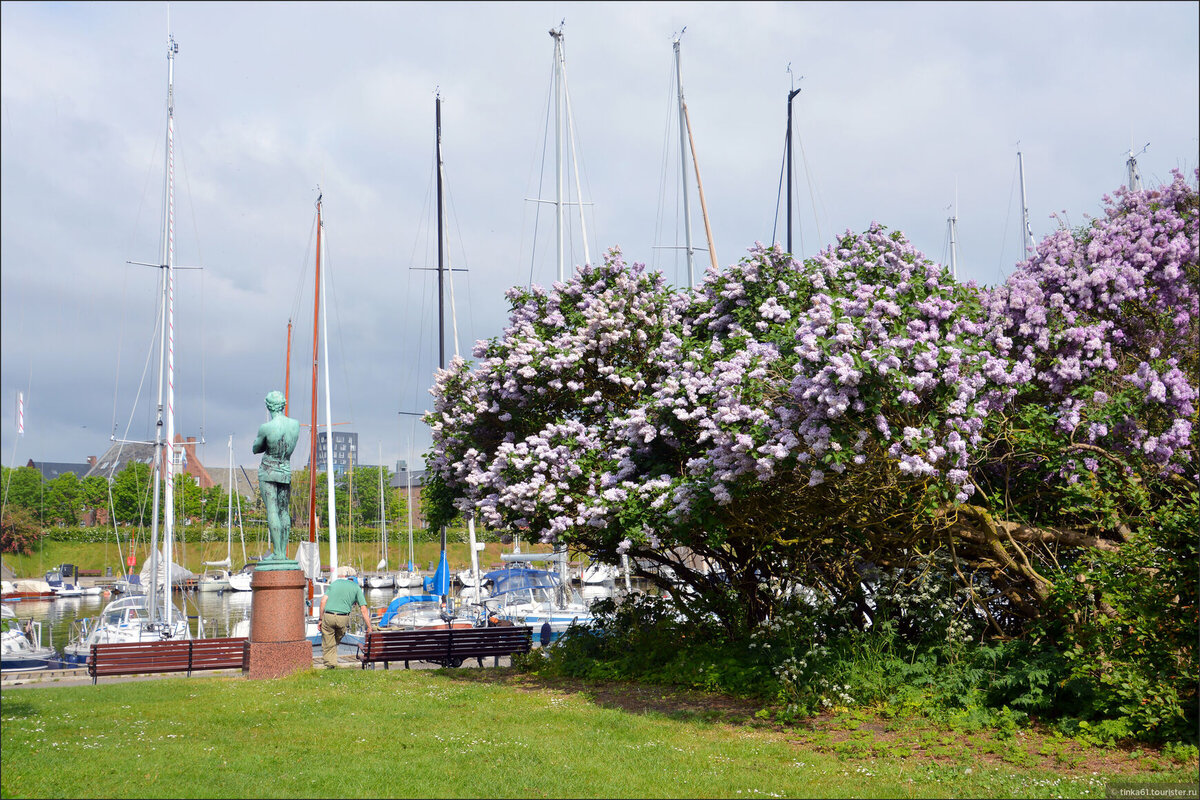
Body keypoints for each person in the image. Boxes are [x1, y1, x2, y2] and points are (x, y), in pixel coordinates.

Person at [251, 390, 301, 562]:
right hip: (285, 469)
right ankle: (283, 553)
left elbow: (256, 448)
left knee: (272, 510)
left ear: (268, 406)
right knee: (284, 511)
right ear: (283, 405)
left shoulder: (266, 428)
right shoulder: (295, 425)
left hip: (268, 469)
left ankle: (278, 553)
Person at [318, 566, 372, 669]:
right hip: (343, 618)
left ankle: (331, 665)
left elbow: (322, 601)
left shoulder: (334, 584)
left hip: (328, 616)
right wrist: (369, 626)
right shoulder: (356, 588)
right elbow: (364, 610)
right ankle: (331, 663)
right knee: (335, 640)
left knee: (329, 641)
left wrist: (320, 619)